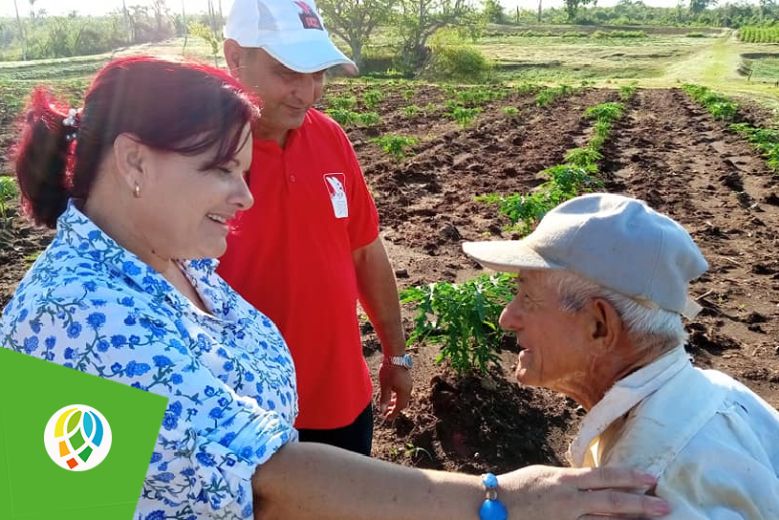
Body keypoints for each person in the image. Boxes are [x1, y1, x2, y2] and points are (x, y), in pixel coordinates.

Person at [0, 57, 672, 520]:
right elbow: (261, 478)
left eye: (243, 169)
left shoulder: (171, 263)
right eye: (219, 171)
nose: (243, 195)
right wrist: (499, 498)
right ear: (134, 160)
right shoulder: (78, 309)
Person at [463, 192, 779, 519]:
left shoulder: (645, 491)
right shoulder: (717, 390)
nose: (506, 318)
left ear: (599, 326)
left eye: (528, 297)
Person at [217, 0, 410, 456]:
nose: (308, 91)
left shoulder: (329, 137)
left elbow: (364, 250)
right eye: (288, 71)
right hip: (246, 412)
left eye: (318, 73)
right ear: (234, 57)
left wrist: (395, 352)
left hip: (339, 398)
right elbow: (64, 493)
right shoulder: (77, 312)